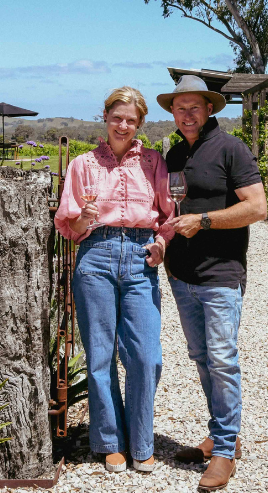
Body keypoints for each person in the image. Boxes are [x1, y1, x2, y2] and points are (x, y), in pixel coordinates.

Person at [53, 87, 175, 473]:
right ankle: (110, 441)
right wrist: (85, 218)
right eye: (116, 117)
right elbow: (68, 226)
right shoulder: (82, 165)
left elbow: (168, 215)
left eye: (131, 119)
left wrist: (160, 245)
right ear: (104, 117)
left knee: (146, 356)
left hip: (141, 259)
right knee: (100, 355)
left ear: (139, 123)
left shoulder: (154, 162)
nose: (123, 125)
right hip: (97, 256)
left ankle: (141, 440)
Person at [157, 75, 267, 491]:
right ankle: (224, 435)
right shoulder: (173, 155)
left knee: (222, 359)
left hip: (221, 274)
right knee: (202, 358)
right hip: (182, 276)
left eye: (194, 106)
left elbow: (257, 207)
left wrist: (202, 221)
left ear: (210, 109)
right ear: (173, 112)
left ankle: (223, 452)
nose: (186, 114)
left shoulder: (231, 149)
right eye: (179, 107)